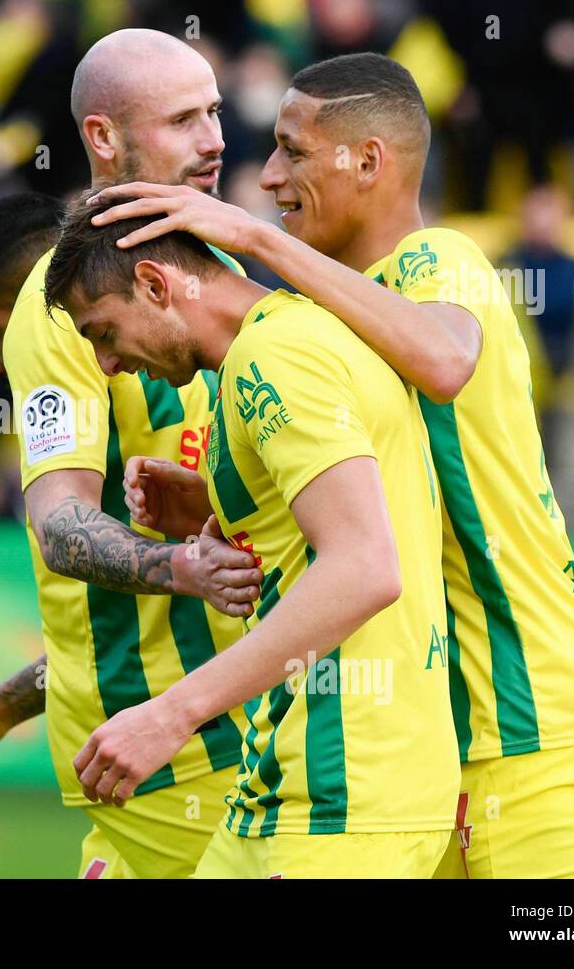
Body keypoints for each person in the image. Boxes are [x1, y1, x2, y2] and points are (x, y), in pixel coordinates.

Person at [89, 51, 574, 879]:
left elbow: (446, 360)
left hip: (533, 706)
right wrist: (213, 500)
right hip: (451, 731)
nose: (269, 178)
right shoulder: (347, 307)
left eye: (292, 152)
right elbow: (388, 486)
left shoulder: (438, 260)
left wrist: (248, 237)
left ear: (369, 161)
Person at [0, 29, 263, 880]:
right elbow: (60, 523)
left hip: (245, 728)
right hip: (163, 756)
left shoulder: (213, 271)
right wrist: (185, 565)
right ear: (103, 138)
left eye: (214, 113)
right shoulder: (58, 308)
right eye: (183, 120)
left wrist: (1, 704)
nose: (214, 139)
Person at [44, 198, 456, 878]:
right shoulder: (271, 350)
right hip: (284, 779)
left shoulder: (276, 357)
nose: (109, 363)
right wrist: (216, 503)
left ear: (155, 284)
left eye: (104, 331)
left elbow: (365, 566)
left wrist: (169, 715)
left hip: (343, 785)